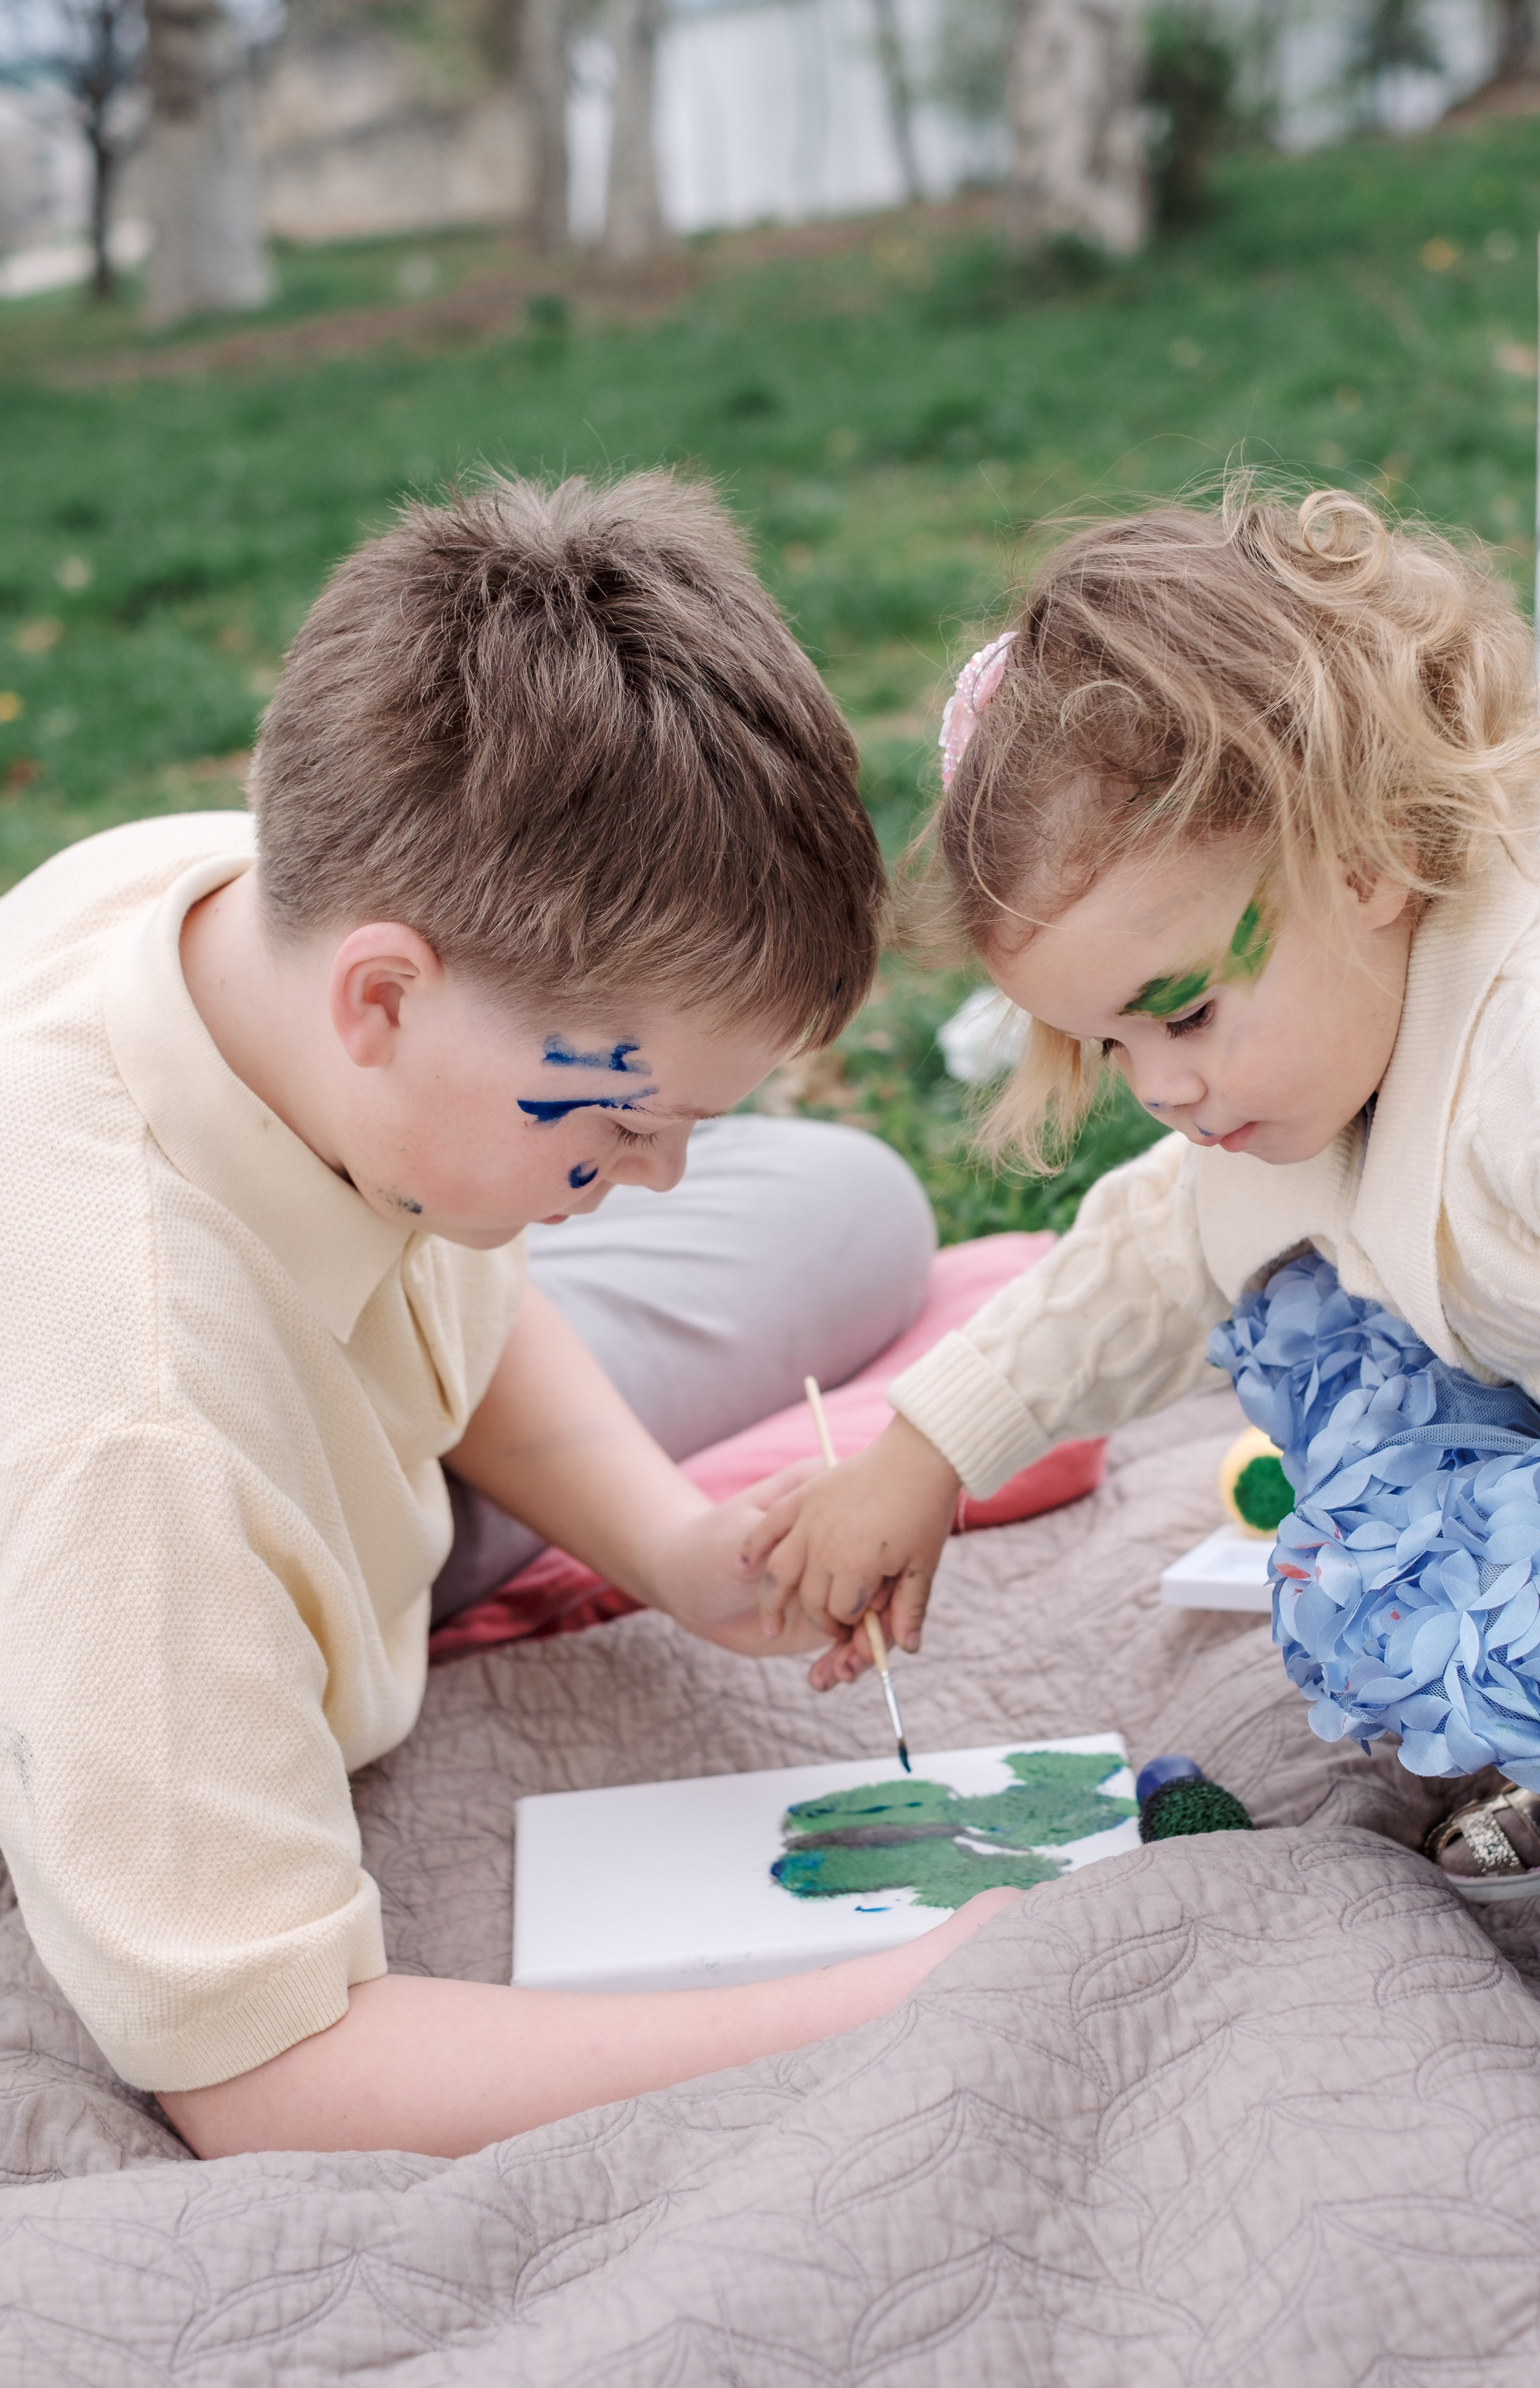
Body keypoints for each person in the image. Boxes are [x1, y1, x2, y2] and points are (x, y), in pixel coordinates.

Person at [0, 470, 1018, 2165]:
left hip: (275, 1407)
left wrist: (676, 1551)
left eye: (688, 1121)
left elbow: (460, 1279)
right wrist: (896, 1994)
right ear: (384, 1000)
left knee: (844, 1207)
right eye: (624, 1130)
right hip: (123, 1566)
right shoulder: (145, 1443)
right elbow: (269, 2081)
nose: (670, 1178)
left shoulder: (226, 904)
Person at [745, 483, 1540, 1892]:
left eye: (1182, 1013)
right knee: (1307, 1329)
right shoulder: (1308, 1074)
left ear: (1366, 858)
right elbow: (1146, 1255)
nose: (1156, 1088)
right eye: (1107, 1043)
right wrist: (920, 1458)